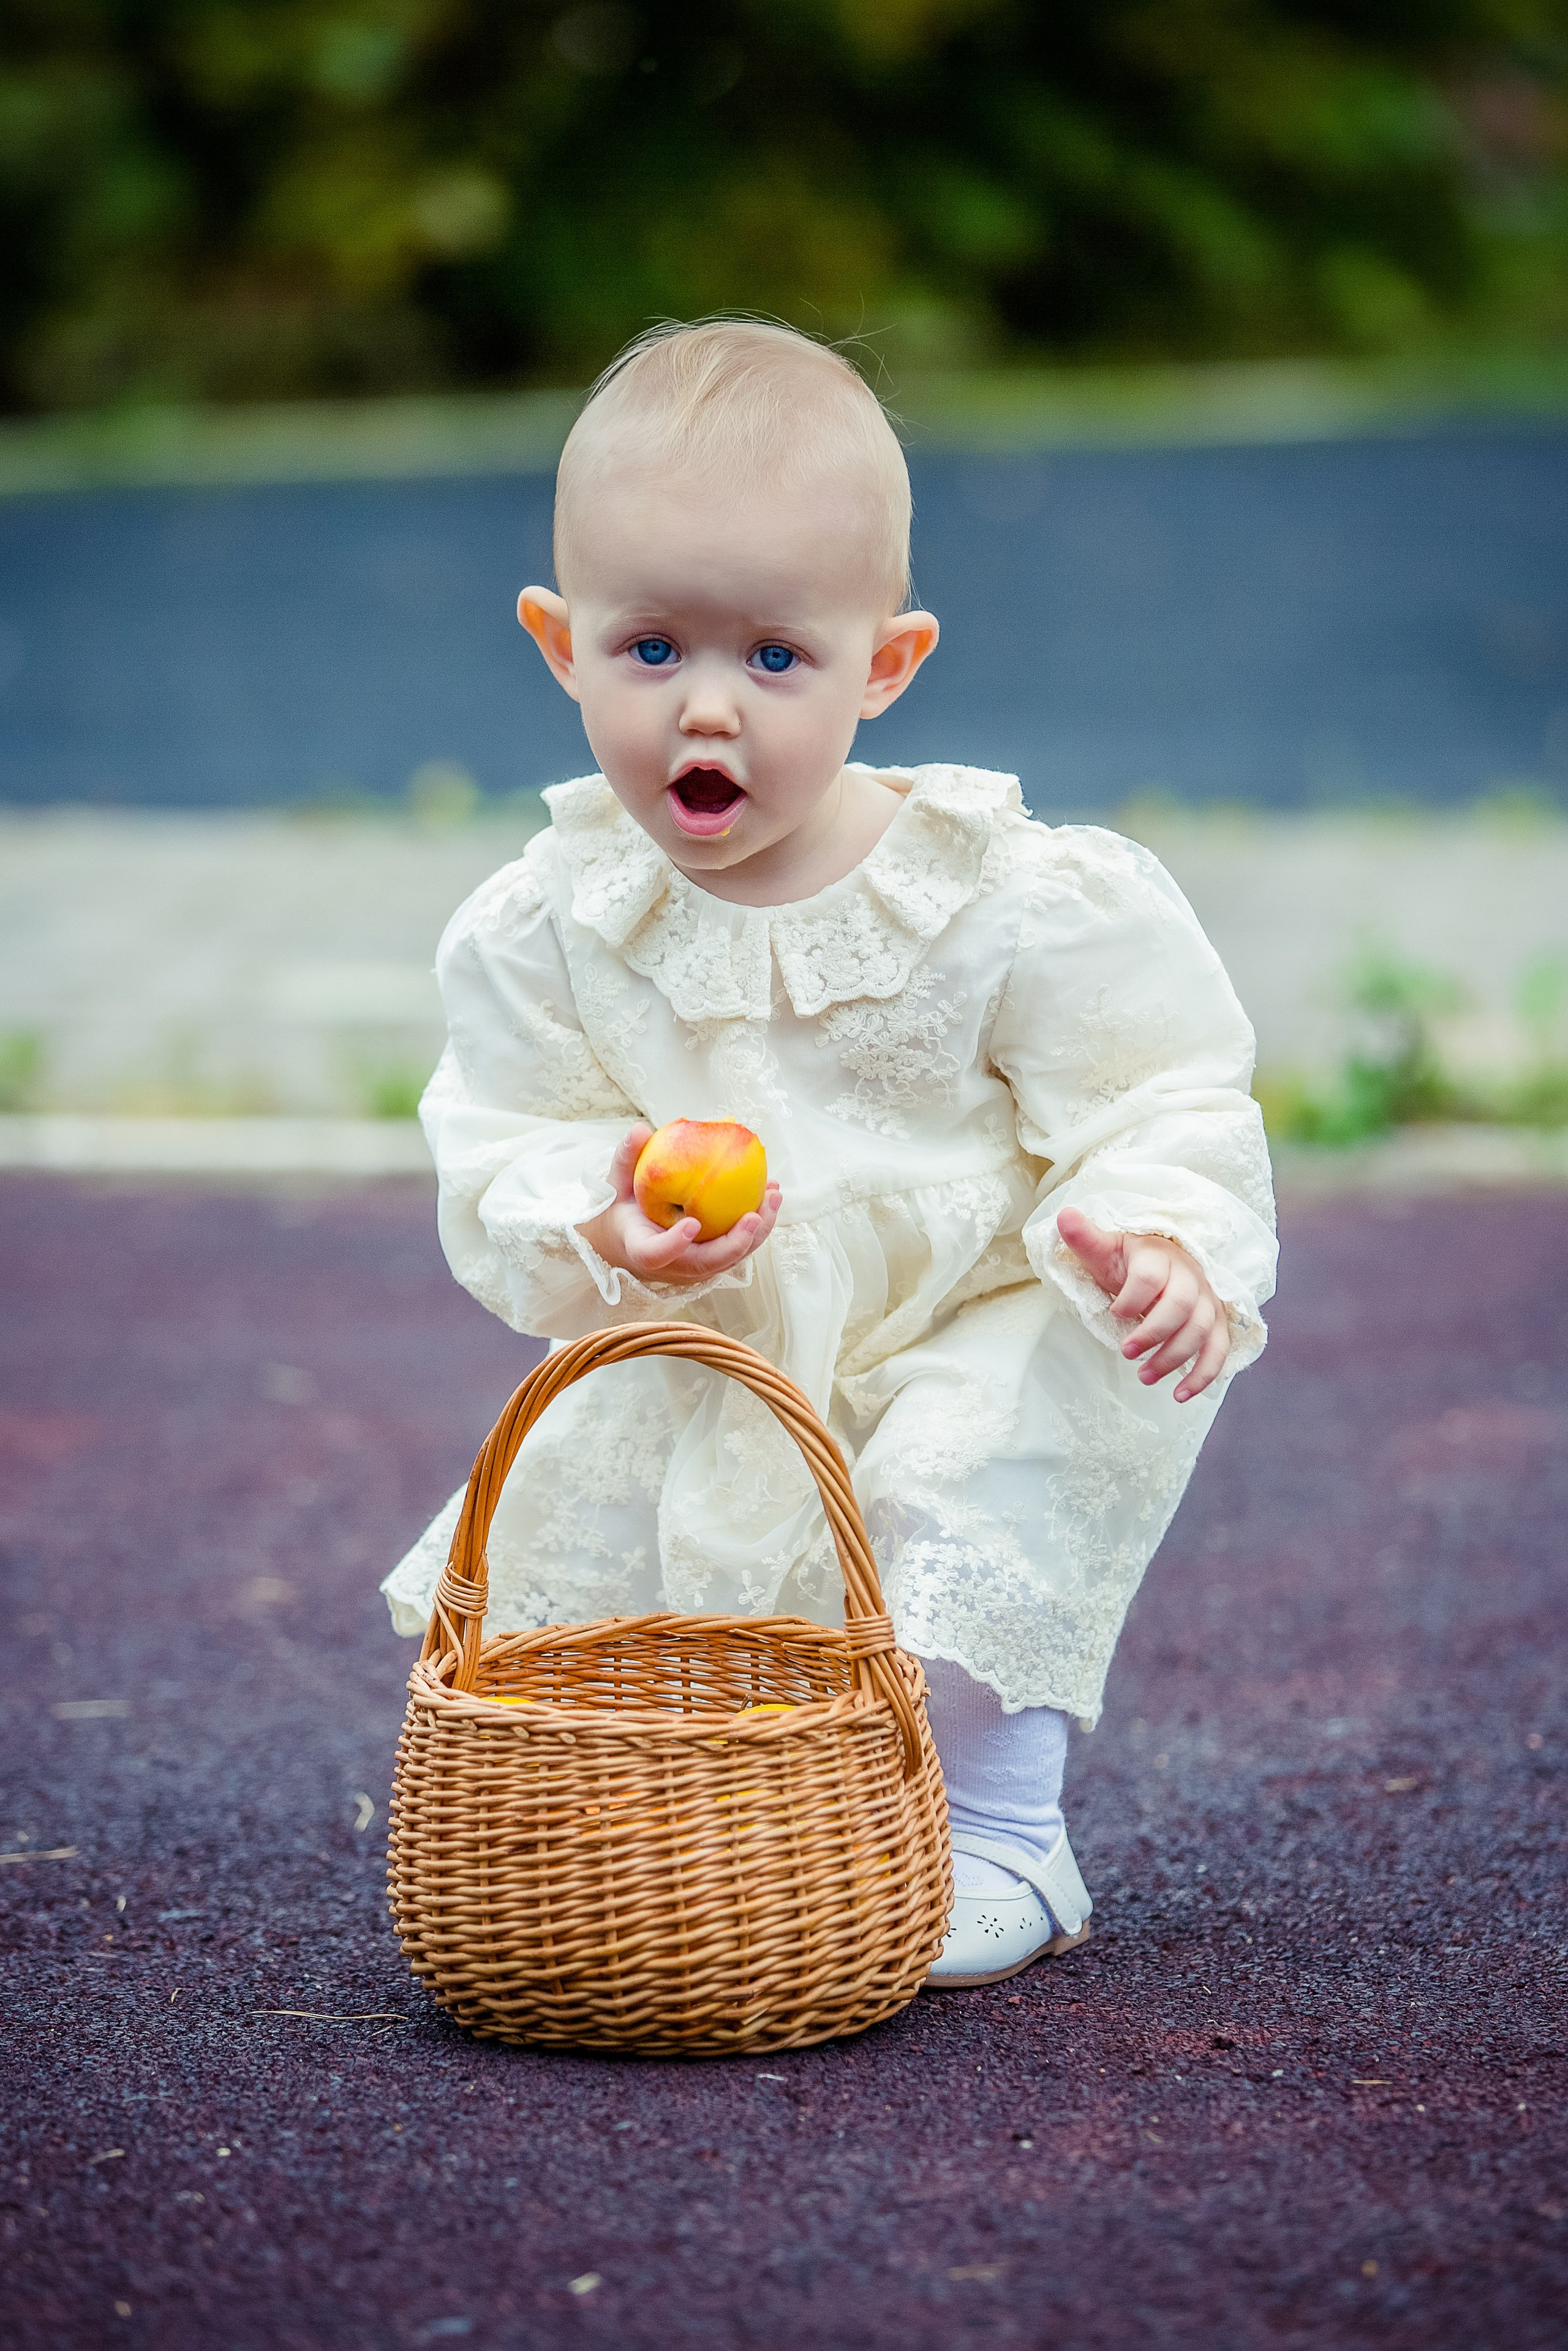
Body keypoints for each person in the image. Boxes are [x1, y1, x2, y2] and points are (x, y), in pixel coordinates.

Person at [382, 317, 1277, 1987]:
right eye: (649, 650)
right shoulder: (548, 923)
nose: (706, 708)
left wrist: (1157, 1232)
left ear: (886, 664)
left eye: (775, 659)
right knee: (674, 1559)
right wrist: (602, 1212)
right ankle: (761, 1821)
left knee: (973, 1468)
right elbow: (505, 1132)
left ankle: (1009, 1828)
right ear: (558, 643)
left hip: (980, 1306)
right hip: (732, 1333)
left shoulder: (1003, 891)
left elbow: (1155, 1083)